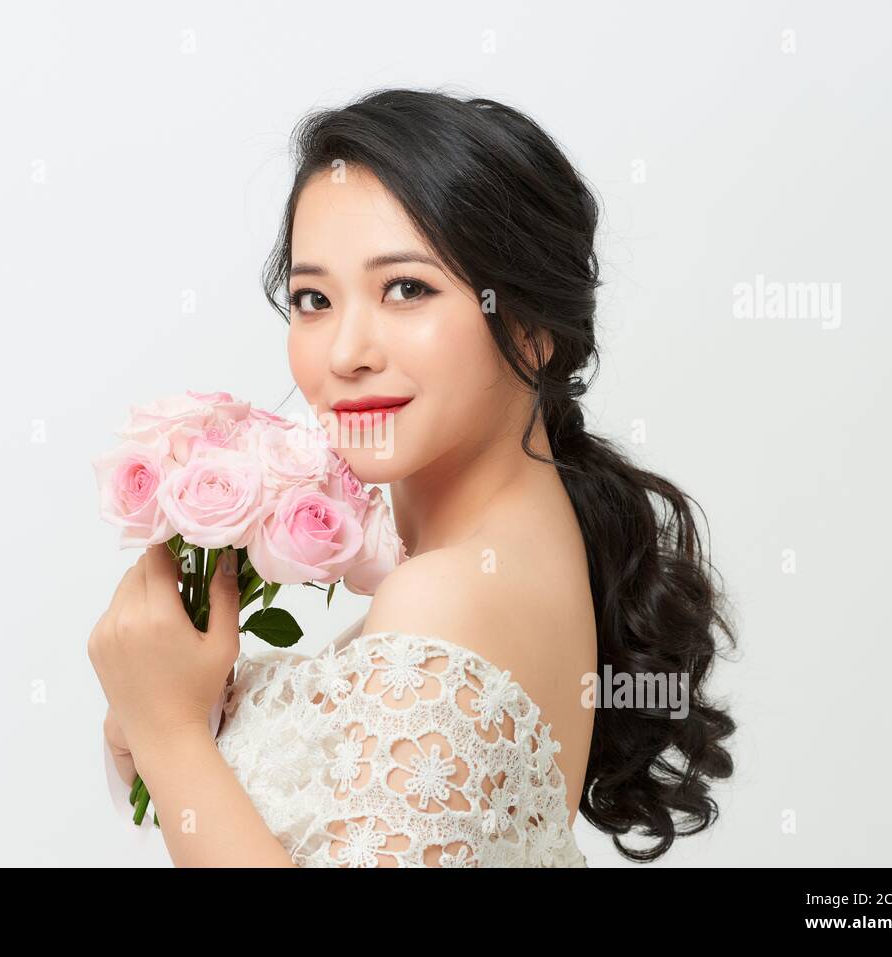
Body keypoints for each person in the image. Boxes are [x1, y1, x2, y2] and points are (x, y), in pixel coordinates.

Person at [90, 87, 737, 867]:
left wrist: (170, 733)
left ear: (531, 331)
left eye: (407, 288)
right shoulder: (514, 548)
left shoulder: (448, 596)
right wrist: (167, 733)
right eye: (314, 298)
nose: (345, 352)